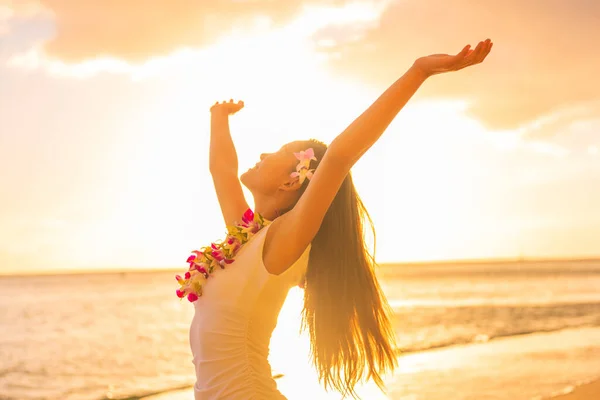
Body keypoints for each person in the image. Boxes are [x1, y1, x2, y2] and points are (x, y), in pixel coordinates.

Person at [189, 39, 493, 399]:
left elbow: (338, 157)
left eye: (281, 152)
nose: (264, 152)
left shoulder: (281, 242)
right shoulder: (247, 237)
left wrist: (419, 71)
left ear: (292, 180)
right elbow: (221, 171)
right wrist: (218, 117)